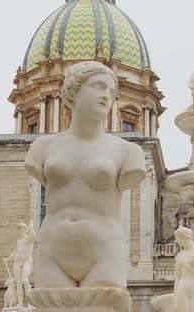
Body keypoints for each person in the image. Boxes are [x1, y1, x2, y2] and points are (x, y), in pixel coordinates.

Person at [25, 61, 146, 289]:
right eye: (98, 86)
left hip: (104, 252)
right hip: (51, 251)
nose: (106, 96)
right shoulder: (41, 148)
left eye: (111, 91)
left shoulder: (129, 152)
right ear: (72, 92)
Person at [3, 221, 36, 307]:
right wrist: (8, 259)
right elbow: (15, 252)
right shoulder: (19, 241)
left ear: (25, 230)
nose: (20, 230)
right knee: (18, 282)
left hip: (26, 261)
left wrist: (31, 228)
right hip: (17, 262)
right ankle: (20, 303)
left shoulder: (29, 239)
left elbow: (33, 236)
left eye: (22, 229)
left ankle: (31, 302)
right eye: (19, 229)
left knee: (25, 279)